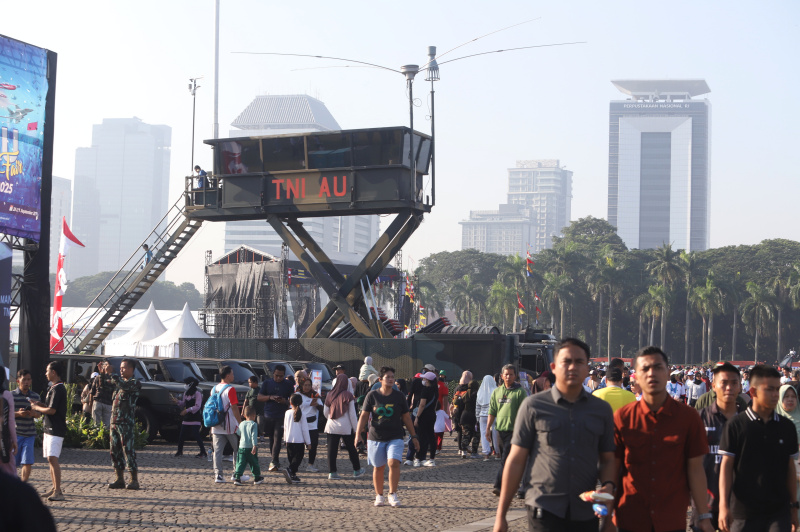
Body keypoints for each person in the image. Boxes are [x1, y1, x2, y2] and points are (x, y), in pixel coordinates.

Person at [492, 338, 616, 532]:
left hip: (584, 512)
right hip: (543, 509)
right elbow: (516, 460)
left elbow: (608, 459)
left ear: (587, 368)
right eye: (566, 361)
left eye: (579, 362)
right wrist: (501, 516)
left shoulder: (601, 410)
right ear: (554, 367)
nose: (572, 367)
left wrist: (608, 495)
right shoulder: (533, 406)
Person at [607, 346, 713, 532]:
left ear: (668, 372)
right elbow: (613, 468)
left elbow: (696, 470)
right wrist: (608, 515)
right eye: (645, 369)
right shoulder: (623, 418)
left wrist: (703, 515)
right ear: (636, 376)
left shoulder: (688, 418)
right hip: (630, 516)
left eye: (658, 367)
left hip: (671, 518)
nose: (651, 373)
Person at [719, 365, 799, 531]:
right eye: (770, 389)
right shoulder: (736, 425)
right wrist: (723, 505)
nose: (775, 394)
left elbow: (790, 468)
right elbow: (726, 467)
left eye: (777, 389)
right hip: (743, 512)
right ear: (753, 392)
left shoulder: (787, 427)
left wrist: (793, 506)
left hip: (778, 512)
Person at [356, 366, 419, 508]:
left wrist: (414, 436)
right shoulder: (372, 395)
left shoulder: (399, 396)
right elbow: (364, 416)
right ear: (380, 379)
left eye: (392, 377)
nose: (391, 379)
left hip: (395, 435)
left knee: (393, 462)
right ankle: (379, 495)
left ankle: (392, 493)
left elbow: (406, 417)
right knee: (378, 467)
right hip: (375, 436)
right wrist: (358, 434)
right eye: (388, 377)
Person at [695, 362, 742, 532]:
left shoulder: (747, 421)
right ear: (713, 386)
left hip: (739, 503)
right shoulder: (699, 418)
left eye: (734, 383)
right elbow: (690, 462)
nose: (729, 387)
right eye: (724, 383)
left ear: (740, 386)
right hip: (705, 501)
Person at [486, 364, 527, 496]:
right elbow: (492, 411)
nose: (508, 377)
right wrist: (488, 428)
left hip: (514, 432)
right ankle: (516, 485)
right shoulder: (496, 392)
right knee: (509, 460)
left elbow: (525, 412)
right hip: (500, 431)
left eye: (511, 374)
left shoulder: (520, 392)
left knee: (506, 460)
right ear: (502, 376)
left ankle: (499, 486)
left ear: (515, 376)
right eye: (506, 374)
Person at [30, 361, 67, 501]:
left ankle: (58, 491)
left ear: (53, 372)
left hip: (55, 428)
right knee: (50, 459)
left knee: (53, 458)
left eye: (47, 371)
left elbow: (52, 410)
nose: (46, 373)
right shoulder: (53, 388)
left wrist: (36, 408)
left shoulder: (58, 389)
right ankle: (54, 487)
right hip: (49, 428)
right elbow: (49, 406)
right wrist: (40, 404)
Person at [107, 359, 142, 490]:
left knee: (128, 450)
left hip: (126, 423)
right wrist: (104, 374)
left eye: (124, 368)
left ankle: (134, 480)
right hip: (114, 422)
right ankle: (119, 479)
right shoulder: (119, 383)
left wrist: (113, 374)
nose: (121, 370)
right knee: (114, 451)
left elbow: (125, 386)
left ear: (132, 369)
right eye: (120, 368)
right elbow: (105, 386)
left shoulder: (134, 383)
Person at [323, 373, 364, 479]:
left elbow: (325, 412)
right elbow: (352, 415)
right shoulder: (348, 395)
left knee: (332, 450)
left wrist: (331, 418)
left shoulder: (330, 394)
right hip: (346, 427)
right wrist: (356, 430)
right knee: (351, 449)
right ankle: (357, 470)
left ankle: (332, 473)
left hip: (331, 426)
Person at [257, 364, 293, 471]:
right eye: (276, 375)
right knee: (271, 439)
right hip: (269, 415)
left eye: (281, 376)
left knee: (278, 438)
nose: (278, 378)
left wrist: (284, 401)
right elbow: (259, 397)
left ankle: (274, 461)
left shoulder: (288, 384)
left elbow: (292, 400)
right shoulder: (267, 383)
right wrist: (270, 397)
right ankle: (274, 459)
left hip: (281, 415)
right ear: (273, 374)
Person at [211, 366, 242, 483]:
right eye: (232, 374)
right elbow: (234, 407)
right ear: (228, 375)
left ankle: (218, 475)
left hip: (216, 424)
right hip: (230, 425)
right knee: (237, 449)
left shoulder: (214, 389)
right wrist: (240, 422)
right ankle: (236, 473)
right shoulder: (230, 389)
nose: (234, 376)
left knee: (217, 452)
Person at [12, 369, 40, 482]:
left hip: (29, 434)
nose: (26, 382)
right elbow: (5, 414)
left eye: (28, 379)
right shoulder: (11, 396)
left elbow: (39, 415)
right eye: (24, 380)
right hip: (15, 434)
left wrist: (34, 414)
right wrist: (18, 414)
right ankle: (12, 484)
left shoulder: (35, 396)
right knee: (13, 463)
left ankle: (23, 485)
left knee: (27, 462)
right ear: (18, 381)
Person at [173, 376, 205, 458]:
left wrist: (187, 410)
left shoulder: (197, 394)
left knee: (196, 434)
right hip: (187, 418)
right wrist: (177, 402)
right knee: (182, 435)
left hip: (195, 417)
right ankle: (179, 451)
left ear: (190, 384)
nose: (185, 385)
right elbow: (183, 404)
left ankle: (203, 451)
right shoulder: (185, 393)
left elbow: (197, 406)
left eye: (186, 383)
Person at [282, 394, 310, 484]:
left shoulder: (287, 413)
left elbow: (285, 427)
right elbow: (305, 429)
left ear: (290, 402)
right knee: (297, 459)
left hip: (289, 440)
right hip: (299, 440)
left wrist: (285, 439)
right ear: (301, 403)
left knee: (291, 459)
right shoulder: (303, 414)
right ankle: (290, 470)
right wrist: (308, 442)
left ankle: (292, 475)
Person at [232, 406, 264, 486]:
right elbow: (254, 436)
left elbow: (238, 433)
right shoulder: (254, 424)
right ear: (254, 415)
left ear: (244, 415)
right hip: (250, 447)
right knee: (254, 463)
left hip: (241, 447)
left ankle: (237, 477)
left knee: (240, 463)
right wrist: (254, 445)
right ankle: (257, 478)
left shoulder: (242, 423)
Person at [414, 371, 439, 467]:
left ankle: (417, 458)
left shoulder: (425, 390)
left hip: (423, 415)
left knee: (420, 437)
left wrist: (417, 417)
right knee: (431, 437)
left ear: (428, 380)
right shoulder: (435, 390)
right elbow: (435, 404)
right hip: (432, 415)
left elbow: (422, 404)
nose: (423, 380)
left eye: (424, 378)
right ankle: (432, 459)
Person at [298, 378, 322, 472]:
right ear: (301, 386)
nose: (307, 387)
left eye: (309, 385)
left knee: (313, 445)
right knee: (299, 445)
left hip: (312, 424)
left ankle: (310, 464)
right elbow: (294, 407)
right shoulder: (298, 395)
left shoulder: (315, 395)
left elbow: (322, 408)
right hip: (301, 423)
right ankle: (296, 463)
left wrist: (316, 405)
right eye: (305, 385)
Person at [456, 379, 480, 458]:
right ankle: (474, 452)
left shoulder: (464, 395)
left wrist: (458, 419)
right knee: (476, 435)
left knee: (466, 434)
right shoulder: (478, 395)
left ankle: (463, 450)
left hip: (464, 416)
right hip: (475, 417)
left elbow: (459, 409)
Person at [0, 368, 17, 477]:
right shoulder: (6, 395)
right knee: (10, 471)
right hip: (3, 439)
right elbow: (11, 421)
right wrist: (14, 440)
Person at [477, 374, 498, 459]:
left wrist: (477, 418)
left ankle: (486, 454)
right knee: (496, 434)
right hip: (494, 415)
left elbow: (477, 406)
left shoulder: (480, 392)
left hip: (482, 415)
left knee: (483, 433)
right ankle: (498, 452)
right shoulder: (496, 390)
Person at [90, 360, 114, 426]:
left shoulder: (99, 377)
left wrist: (90, 403)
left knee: (96, 424)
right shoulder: (113, 378)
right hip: (106, 403)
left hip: (100, 402)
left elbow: (92, 391)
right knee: (106, 425)